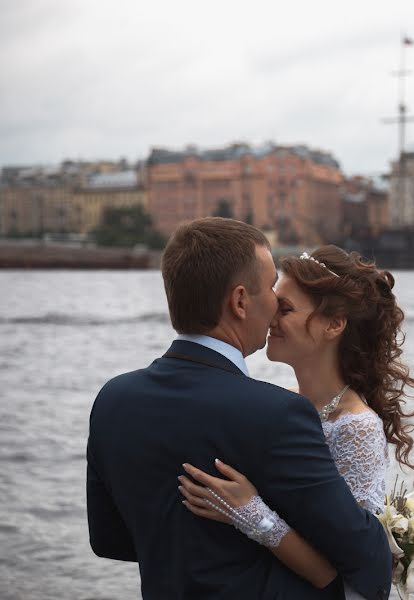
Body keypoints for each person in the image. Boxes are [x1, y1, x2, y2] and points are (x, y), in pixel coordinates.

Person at [86, 218, 392, 600]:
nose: (275, 311)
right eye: (270, 293)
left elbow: (107, 540)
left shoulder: (113, 399)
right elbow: (371, 564)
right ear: (240, 301)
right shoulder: (277, 412)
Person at [177, 245, 414, 597]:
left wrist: (251, 514)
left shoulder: (356, 427)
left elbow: (351, 561)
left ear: (334, 324)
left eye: (284, 309)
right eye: (273, 304)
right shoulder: (279, 403)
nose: (270, 318)